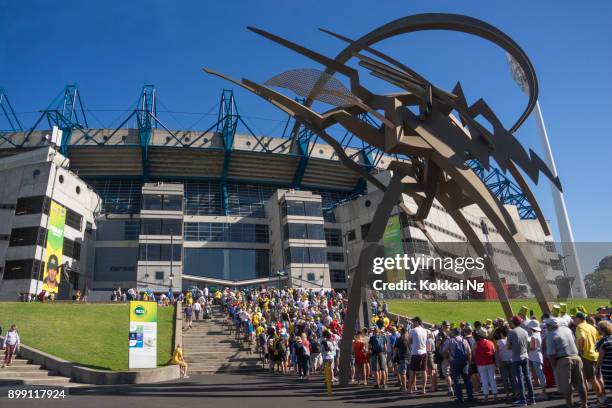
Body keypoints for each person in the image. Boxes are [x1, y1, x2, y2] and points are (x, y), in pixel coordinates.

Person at [545, 317, 587, 408]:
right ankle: (584, 405)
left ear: (550, 326)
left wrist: (554, 367)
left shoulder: (551, 335)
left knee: (566, 386)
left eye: (546, 325)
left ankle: (570, 406)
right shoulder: (567, 330)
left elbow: (551, 354)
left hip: (563, 360)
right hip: (576, 357)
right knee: (580, 384)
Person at [574, 311, 606, 406]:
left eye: (575, 318)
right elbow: (599, 337)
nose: (573, 320)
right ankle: (602, 397)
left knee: (592, 379)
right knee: (599, 377)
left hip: (587, 356)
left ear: (579, 319)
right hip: (595, 355)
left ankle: (601, 400)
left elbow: (582, 338)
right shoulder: (591, 326)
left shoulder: (580, 327)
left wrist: (580, 350)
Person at [507, 315, 535, 406]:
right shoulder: (525, 331)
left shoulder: (511, 332)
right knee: (528, 377)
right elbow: (528, 345)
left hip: (516, 357)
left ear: (514, 323)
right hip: (525, 356)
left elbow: (508, 346)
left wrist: (513, 346)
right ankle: (532, 398)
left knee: (520, 378)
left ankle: (523, 399)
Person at [442, 327, 474, 403]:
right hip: (464, 362)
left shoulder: (450, 341)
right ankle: (470, 396)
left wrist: (447, 358)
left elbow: (443, 350)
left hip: (454, 362)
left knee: (456, 380)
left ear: (454, 333)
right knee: (467, 380)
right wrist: (469, 362)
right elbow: (469, 352)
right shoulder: (464, 340)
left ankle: (460, 398)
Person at [474, 329, 497, 401]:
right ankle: (495, 395)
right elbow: (494, 351)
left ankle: (486, 396)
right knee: (492, 379)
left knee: (484, 380)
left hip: (481, 363)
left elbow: (474, 352)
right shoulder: (490, 342)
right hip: (491, 362)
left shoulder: (477, 343)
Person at [407, 316, 428, 394]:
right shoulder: (425, 330)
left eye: (413, 322)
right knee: (423, 371)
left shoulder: (413, 330)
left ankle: (410, 389)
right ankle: (423, 389)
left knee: (412, 371)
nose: (412, 323)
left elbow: (409, 342)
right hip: (424, 352)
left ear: (417, 322)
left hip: (416, 353)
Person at [595, 320, 612, 393]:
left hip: (608, 367)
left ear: (602, 330)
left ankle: (603, 401)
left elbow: (601, 356)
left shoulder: (603, 341)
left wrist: (597, 368)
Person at [394, 326, 410, 391]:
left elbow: (395, 349)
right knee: (410, 372)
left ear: (401, 332)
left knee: (403, 372)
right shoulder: (409, 338)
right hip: (410, 356)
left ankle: (404, 386)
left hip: (403, 357)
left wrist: (395, 354)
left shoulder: (399, 339)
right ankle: (412, 386)